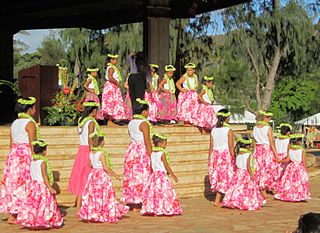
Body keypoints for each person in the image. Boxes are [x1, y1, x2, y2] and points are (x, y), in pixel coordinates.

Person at [0, 97, 38, 224]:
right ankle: (24, 213)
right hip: (25, 155)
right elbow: (33, 143)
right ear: (29, 109)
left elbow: (11, 144)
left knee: (15, 184)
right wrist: (36, 159)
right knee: (27, 183)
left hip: (14, 156)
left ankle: (13, 215)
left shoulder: (15, 123)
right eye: (34, 107)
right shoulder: (30, 123)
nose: (35, 110)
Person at [79, 132, 129, 223]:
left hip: (93, 175)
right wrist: (116, 175)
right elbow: (106, 167)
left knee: (94, 195)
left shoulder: (91, 153)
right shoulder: (101, 154)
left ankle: (94, 213)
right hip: (101, 176)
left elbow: (89, 165)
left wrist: (95, 165)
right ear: (101, 142)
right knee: (104, 194)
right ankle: (102, 213)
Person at [16, 140, 63, 228]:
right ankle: (43, 221)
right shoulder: (42, 162)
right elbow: (44, 177)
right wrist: (50, 188)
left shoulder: (32, 162)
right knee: (44, 204)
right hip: (41, 186)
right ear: (44, 151)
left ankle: (33, 220)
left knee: (34, 204)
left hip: (33, 186)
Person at [68, 101, 100, 214]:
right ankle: (81, 208)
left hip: (81, 150)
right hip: (87, 150)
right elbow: (90, 138)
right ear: (94, 110)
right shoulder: (91, 122)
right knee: (86, 178)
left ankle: (79, 205)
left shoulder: (81, 121)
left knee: (82, 177)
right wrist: (92, 155)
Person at [122, 98, 152, 211]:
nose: (148, 113)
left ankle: (133, 202)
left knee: (132, 176)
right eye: (147, 111)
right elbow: (147, 142)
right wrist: (151, 156)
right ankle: (140, 203)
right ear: (143, 111)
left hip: (132, 150)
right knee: (142, 175)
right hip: (141, 151)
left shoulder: (131, 123)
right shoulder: (144, 123)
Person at [141, 133, 182, 216]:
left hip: (154, 176)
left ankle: (155, 209)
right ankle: (165, 208)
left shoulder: (152, 153)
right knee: (165, 193)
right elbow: (167, 166)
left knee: (155, 193)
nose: (165, 145)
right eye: (165, 143)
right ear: (160, 144)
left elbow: (151, 166)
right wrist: (173, 176)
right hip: (162, 177)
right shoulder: (162, 154)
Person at [222, 137, 266, 211]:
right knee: (246, 189)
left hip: (238, 173)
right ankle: (245, 202)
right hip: (246, 173)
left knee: (237, 188)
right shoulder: (248, 154)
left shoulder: (237, 154)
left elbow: (236, 165)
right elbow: (248, 167)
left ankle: (235, 201)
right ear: (247, 146)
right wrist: (252, 176)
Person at [208, 109, 235, 206]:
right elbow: (231, 147)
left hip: (215, 155)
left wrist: (209, 159)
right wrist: (234, 159)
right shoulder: (228, 130)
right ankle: (218, 200)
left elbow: (211, 146)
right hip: (225, 155)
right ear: (226, 118)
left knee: (219, 176)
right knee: (226, 176)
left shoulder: (213, 130)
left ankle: (222, 198)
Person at [274, 133, 311, 202]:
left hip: (291, 167)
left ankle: (291, 194)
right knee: (299, 182)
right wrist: (305, 170)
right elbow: (304, 161)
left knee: (290, 182)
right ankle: (298, 195)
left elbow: (287, 159)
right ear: (299, 142)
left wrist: (280, 161)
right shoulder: (302, 150)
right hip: (299, 167)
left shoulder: (290, 150)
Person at [252, 110, 280, 197]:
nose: (269, 119)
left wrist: (254, 151)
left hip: (258, 150)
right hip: (266, 150)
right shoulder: (268, 128)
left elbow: (254, 141)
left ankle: (264, 189)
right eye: (269, 118)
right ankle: (269, 188)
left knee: (259, 169)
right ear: (265, 117)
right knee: (270, 168)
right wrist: (276, 155)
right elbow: (271, 142)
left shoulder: (255, 128)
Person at [101, 54, 126, 124]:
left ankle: (111, 120)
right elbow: (110, 77)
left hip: (113, 86)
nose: (116, 61)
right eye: (115, 59)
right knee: (111, 102)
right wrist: (117, 83)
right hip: (111, 86)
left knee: (114, 102)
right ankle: (109, 120)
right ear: (111, 60)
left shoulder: (112, 67)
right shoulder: (111, 68)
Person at [273, 123, 292, 191]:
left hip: (277, 156)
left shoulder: (276, 140)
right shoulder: (288, 140)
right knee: (285, 172)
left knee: (277, 172)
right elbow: (289, 150)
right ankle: (283, 187)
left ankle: (275, 187)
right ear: (288, 132)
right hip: (285, 157)